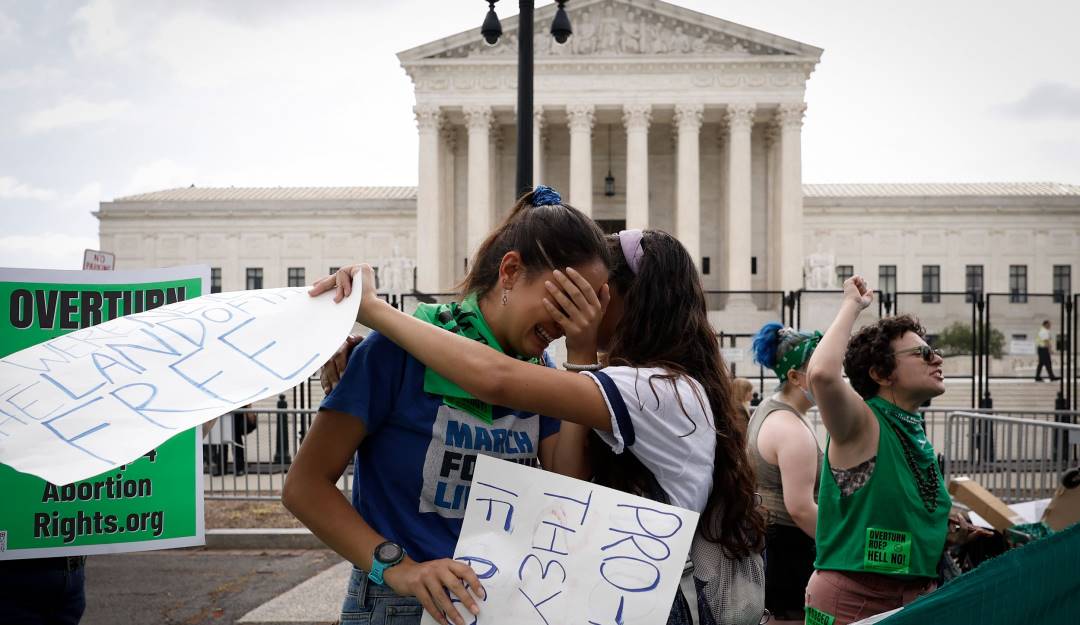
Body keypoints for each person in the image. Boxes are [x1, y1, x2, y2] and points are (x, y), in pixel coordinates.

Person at [321, 228, 767, 625]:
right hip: (459, 595)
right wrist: (378, 350)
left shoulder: (652, 388)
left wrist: (379, 314)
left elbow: (497, 381)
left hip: (640, 600)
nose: (581, 310)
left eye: (594, 295)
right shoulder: (624, 384)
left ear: (630, 303)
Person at [283, 186, 612, 625]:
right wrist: (399, 569)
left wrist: (582, 353)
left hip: (497, 603)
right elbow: (304, 486)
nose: (568, 322)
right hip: (397, 603)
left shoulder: (543, 373)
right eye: (565, 302)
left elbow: (568, 484)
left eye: (586, 308)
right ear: (510, 272)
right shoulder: (394, 351)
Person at [803, 276, 950, 624]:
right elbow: (822, 374)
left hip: (913, 597)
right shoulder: (864, 422)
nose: (938, 357)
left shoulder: (909, 425)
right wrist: (852, 306)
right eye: (923, 353)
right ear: (881, 374)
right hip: (856, 602)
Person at [745, 323, 823, 623]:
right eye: (821, 368)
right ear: (794, 376)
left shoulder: (769, 408)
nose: (831, 375)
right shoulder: (790, 428)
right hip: (789, 550)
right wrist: (845, 549)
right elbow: (801, 509)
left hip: (774, 545)